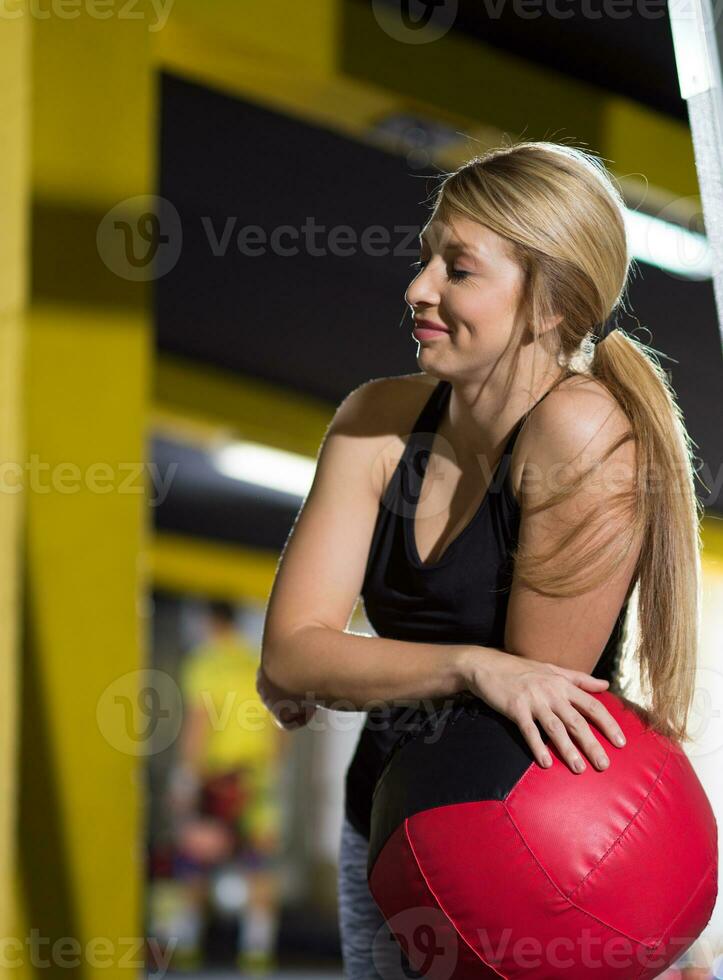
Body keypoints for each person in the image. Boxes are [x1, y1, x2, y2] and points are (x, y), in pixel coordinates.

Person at [257, 140, 702, 979]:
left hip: (517, 859)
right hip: (377, 829)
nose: (417, 288)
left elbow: (520, 712)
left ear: (547, 303)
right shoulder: (376, 419)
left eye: (457, 270)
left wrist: (348, 665)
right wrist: (468, 665)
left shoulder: (583, 435)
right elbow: (289, 654)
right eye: (426, 257)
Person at [169, 599, 288, 974]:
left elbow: (200, 722)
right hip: (257, 776)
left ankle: (186, 945)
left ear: (210, 622)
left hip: (215, 778)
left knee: (195, 859)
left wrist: (187, 776)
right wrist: (272, 771)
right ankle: (257, 950)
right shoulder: (259, 661)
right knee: (260, 863)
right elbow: (283, 723)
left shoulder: (205, 662)